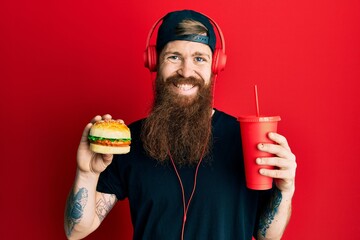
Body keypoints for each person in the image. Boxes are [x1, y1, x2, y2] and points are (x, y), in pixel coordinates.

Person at [64, 9, 296, 240]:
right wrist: (86, 173)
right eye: (173, 57)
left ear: (215, 66)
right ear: (154, 62)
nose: (186, 71)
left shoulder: (245, 139)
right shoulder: (128, 141)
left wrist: (285, 190)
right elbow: (75, 231)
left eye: (199, 58)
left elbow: (269, 236)